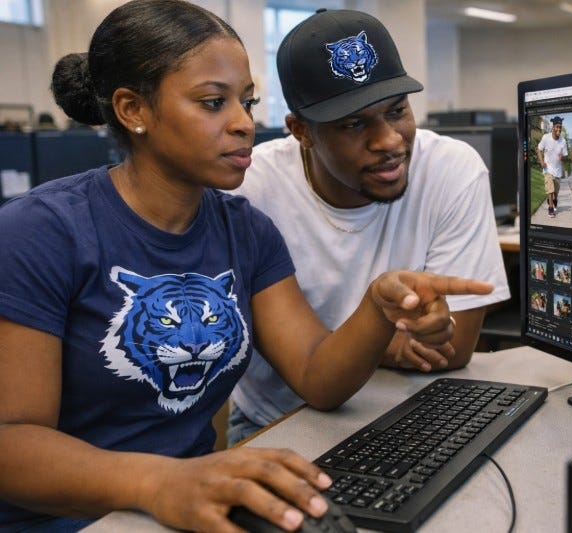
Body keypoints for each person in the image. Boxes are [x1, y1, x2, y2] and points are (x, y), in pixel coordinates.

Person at [0, 2, 492, 531]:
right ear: (132, 110)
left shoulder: (244, 228)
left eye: (246, 101)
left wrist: (377, 305)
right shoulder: (41, 230)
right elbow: (11, 440)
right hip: (71, 518)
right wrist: (159, 481)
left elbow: (316, 377)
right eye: (214, 103)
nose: (242, 123)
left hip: (195, 502)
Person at [228, 8, 509, 445]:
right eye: (354, 123)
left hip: (412, 409)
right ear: (300, 130)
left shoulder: (453, 170)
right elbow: (309, 374)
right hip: (279, 419)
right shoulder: (251, 191)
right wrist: (390, 342)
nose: (389, 141)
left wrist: (390, 344)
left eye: (397, 111)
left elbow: (451, 350)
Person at [537, 116, 568, 218]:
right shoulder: (546, 137)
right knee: (549, 189)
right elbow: (538, 150)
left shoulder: (563, 141)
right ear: (553, 127)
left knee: (555, 191)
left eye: (560, 127)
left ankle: (554, 200)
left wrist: (562, 157)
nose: (559, 129)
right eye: (557, 127)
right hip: (548, 169)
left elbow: (565, 157)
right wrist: (542, 162)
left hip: (558, 171)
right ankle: (550, 208)